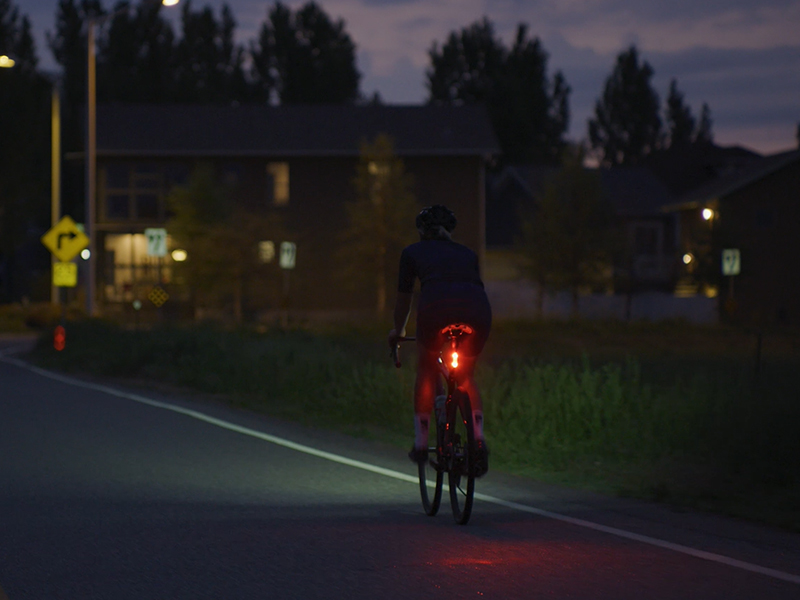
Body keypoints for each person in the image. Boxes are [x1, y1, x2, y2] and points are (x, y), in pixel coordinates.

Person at [388, 204, 492, 476]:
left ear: (421, 231)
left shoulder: (412, 253)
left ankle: (422, 443)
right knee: (467, 375)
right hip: (477, 310)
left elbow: (404, 298)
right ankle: (478, 439)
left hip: (436, 309)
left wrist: (397, 331)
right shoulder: (468, 254)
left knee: (426, 369)